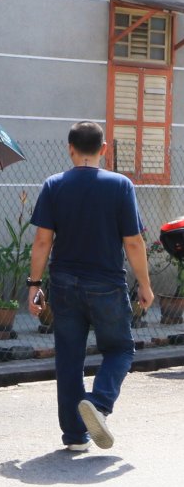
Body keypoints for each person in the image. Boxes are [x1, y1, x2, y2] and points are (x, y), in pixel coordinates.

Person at [28, 121, 153, 452]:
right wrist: (144, 283)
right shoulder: (120, 185)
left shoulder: (54, 185)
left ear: (70, 147)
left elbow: (42, 242)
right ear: (104, 149)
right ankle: (98, 403)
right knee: (120, 349)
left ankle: (74, 437)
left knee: (69, 358)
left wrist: (34, 285)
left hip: (64, 283)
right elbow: (134, 242)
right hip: (106, 283)